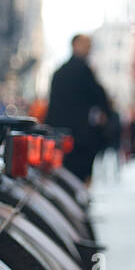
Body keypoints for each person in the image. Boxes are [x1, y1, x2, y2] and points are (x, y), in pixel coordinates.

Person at [45, 34, 111, 183]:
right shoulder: (84, 71)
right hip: (81, 136)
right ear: (75, 45)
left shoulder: (60, 72)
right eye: (86, 44)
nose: (89, 48)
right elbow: (99, 97)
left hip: (59, 133)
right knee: (79, 174)